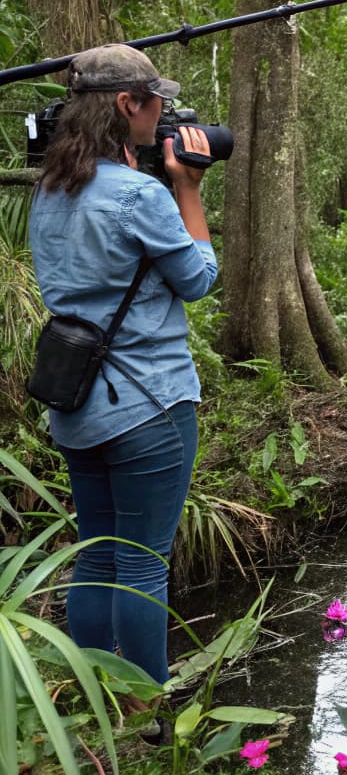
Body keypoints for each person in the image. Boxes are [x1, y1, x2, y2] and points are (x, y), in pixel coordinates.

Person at [28, 44, 218, 687]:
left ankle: (96, 695)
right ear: (126, 104)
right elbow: (197, 280)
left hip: (76, 405)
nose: (165, 109)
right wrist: (188, 188)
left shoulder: (49, 190)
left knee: (98, 557)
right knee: (142, 564)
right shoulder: (141, 195)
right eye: (156, 99)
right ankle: (145, 714)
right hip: (150, 405)